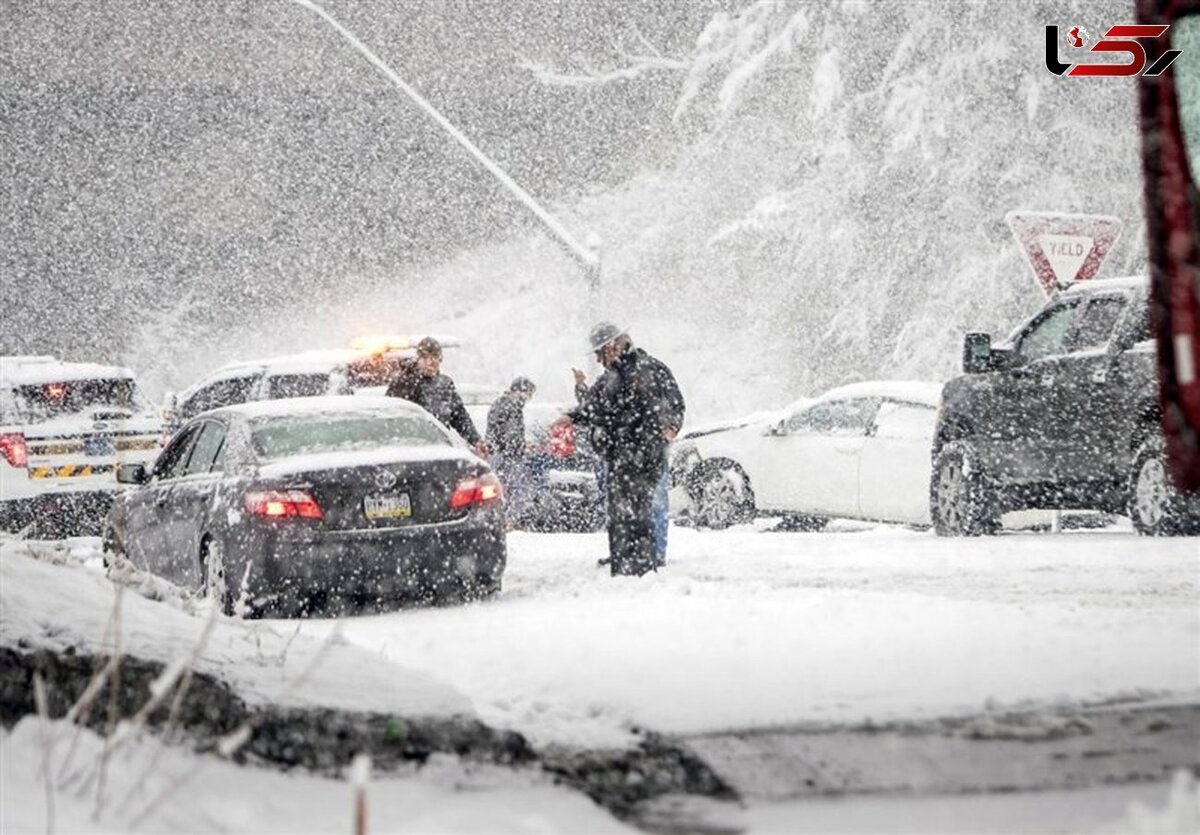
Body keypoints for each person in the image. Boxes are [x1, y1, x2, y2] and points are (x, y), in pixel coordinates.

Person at [564, 322, 684, 577]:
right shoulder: (610, 377)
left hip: (644, 455)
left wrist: (671, 426)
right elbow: (593, 406)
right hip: (620, 456)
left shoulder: (649, 369)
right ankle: (627, 558)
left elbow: (673, 403)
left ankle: (650, 557)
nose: (598, 360)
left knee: (650, 506)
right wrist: (573, 416)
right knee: (624, 512)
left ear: (613, 346)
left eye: (600, 353)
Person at [386, 337, 486, 454]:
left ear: (440, 359)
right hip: (411, 449)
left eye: (434, 357)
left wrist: (476, 440)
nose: (430, 362)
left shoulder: (445, 384)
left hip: (441, 448)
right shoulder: (404, 382)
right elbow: (392, 416)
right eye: (425, 358)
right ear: (418, 359)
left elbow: (459, 417)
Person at [487, 377, 536, 524]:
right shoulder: (512, 406)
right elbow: (511, 434)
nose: (529, 398)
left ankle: (500, 519)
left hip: (498, 453)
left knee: (500, 489)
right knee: (519, 490)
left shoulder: (502, 403)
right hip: (507, 455)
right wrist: (520, 446)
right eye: (529, 394)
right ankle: (509, 520)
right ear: (521, 391)